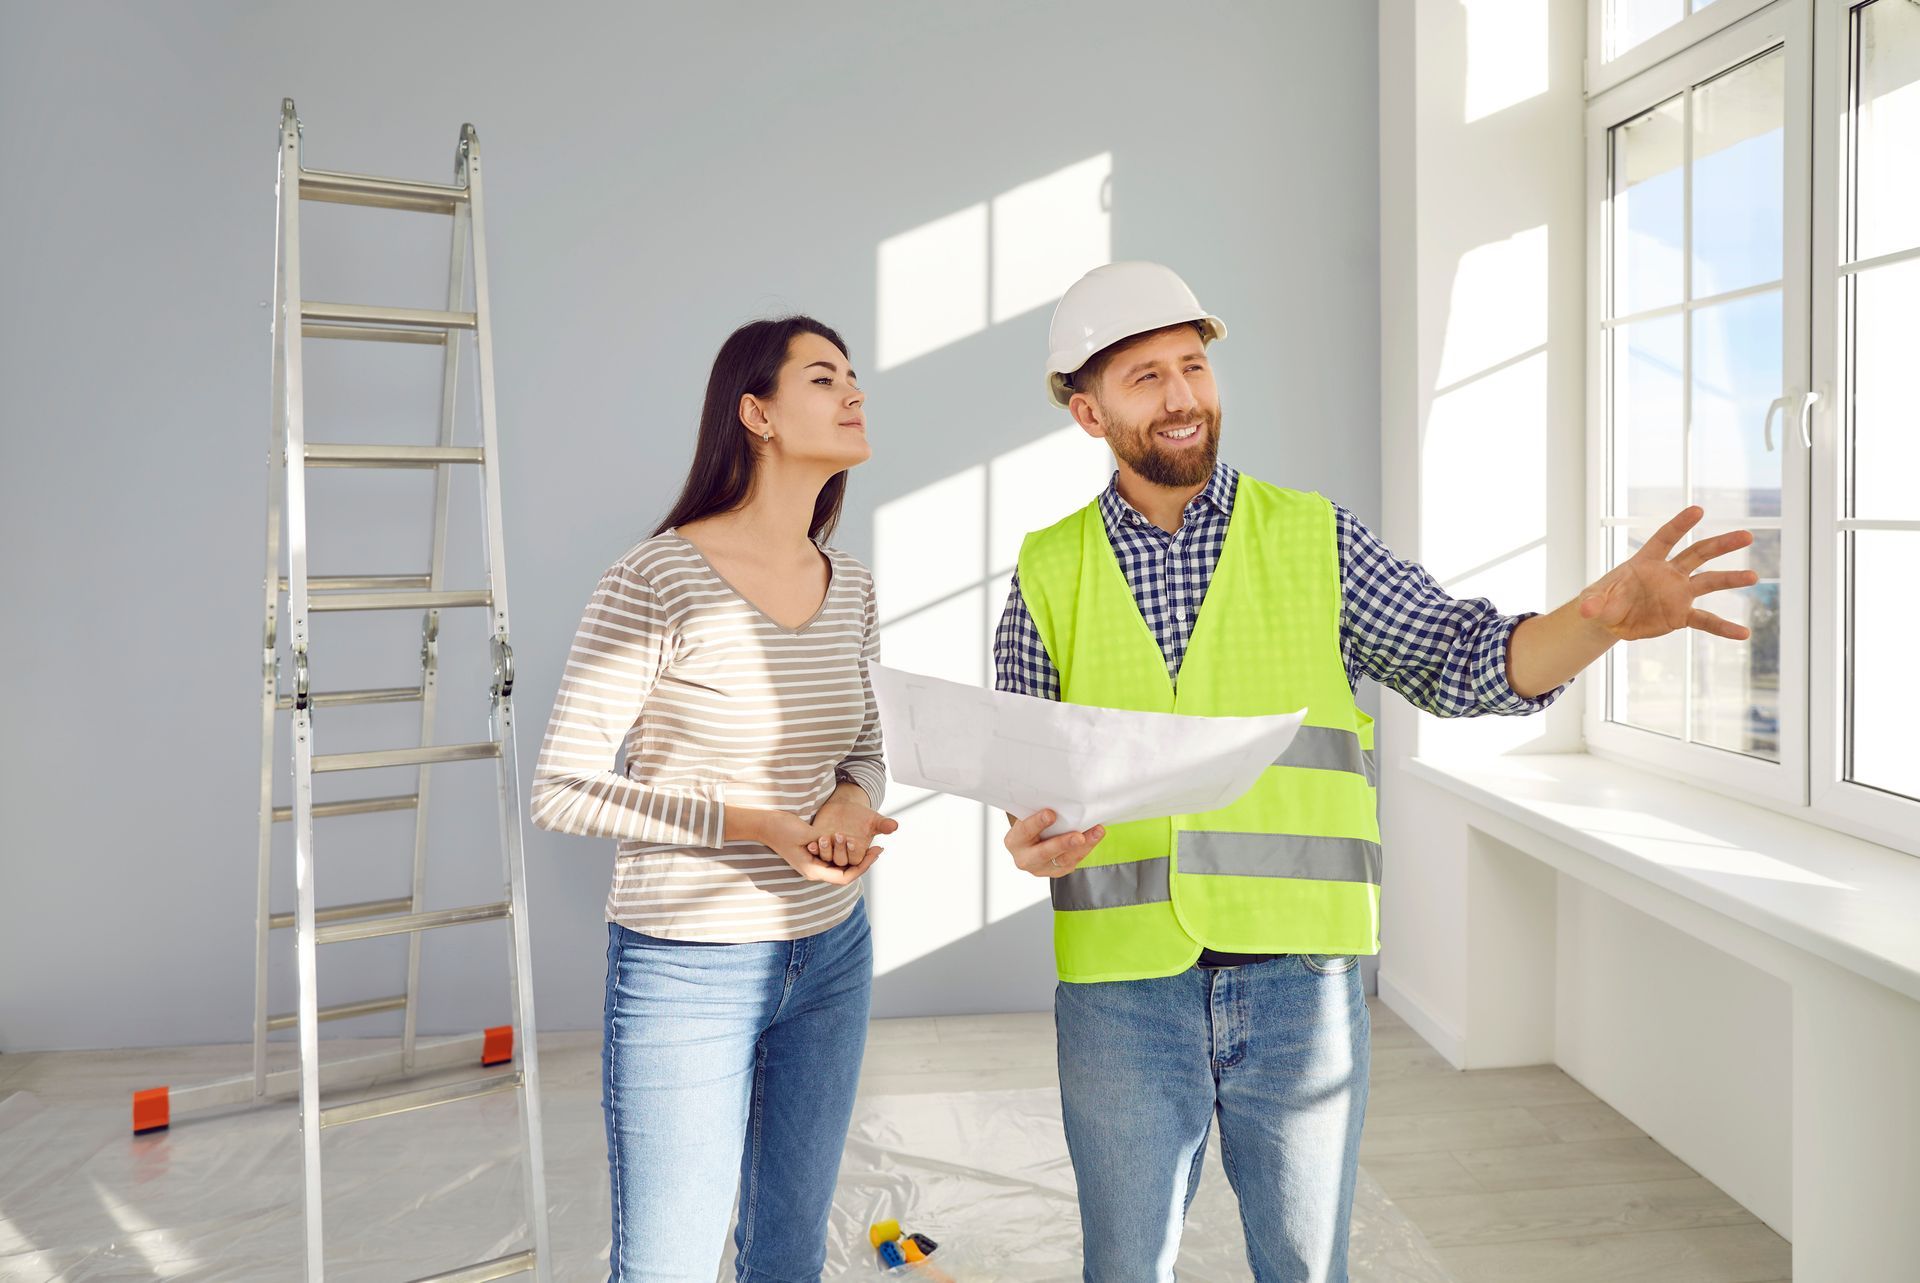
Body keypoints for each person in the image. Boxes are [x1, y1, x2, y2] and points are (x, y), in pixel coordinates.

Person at [993, 262, 1758, 1283]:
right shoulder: (1049, 567)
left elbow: (1461, 657)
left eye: (1194, 365)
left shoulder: (1315, 539)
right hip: (1122, 988)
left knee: (1308, 1268)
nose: (1182, 395)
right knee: (1125, 1268)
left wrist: (1594, 621)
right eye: (1146, 376)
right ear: (1089, 412)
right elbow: (1023, 763)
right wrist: (1029, 831)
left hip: (1297, 980)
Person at [531, 315, 898, 1283]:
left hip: (832, 955)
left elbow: (866, 745)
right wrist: (756, 824)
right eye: (824, 378)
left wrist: (852, 808)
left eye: (854, 376)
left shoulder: (850, 584)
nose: (855, 392)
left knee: (787, 1255)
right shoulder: (655, 578)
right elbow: (563, 788)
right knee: (667, 1265)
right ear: (757, 412)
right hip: (685, 971)